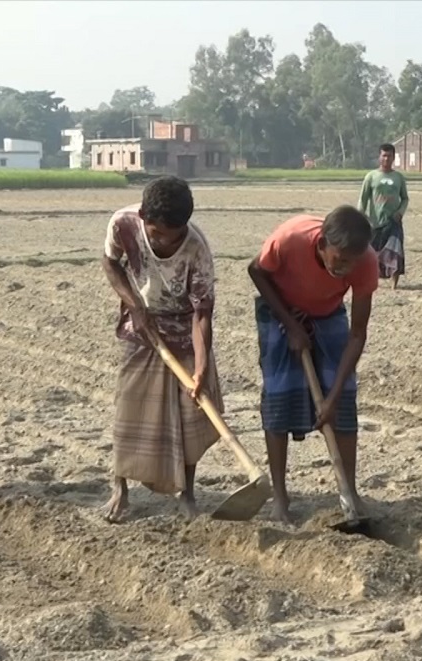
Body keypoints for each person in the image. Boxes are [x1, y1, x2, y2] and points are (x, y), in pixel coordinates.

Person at [101, 176, 222, 523]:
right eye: (156, 234)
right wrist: (135, 306)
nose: (165, 241)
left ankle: (188, 493)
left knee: (191, 414)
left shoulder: (197, 249)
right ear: (143, 217)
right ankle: (120, 487)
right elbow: (110, 263)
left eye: (174, 234)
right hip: (143, 327)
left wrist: (200, 369)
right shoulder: (123, 223)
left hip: (185, 328)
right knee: (130, 407)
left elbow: (202, 315)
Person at [248, 206, 378, 524]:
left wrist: (331, 399)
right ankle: (280, 497)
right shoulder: (289, 239)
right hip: (278, 305)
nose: (345, 268)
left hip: (328, 311)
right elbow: (256, 271)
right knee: (279, 397)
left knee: (344, 398)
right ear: (321, 244)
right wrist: (290, 325)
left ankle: (349, 491)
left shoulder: (366, 261)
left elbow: (358, 334)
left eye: (351, 263)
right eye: (339, 260)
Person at [358, 144, 410, 289]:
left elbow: (405, 198)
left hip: (394, 222)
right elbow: (363, 199)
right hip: (375, 223)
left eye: (389, 156)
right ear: (379, 157)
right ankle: (371, 279)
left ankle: (394, 284)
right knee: (372, 252)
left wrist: (400, 212)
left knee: (396, 251)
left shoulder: (398, 177)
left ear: (394, 157)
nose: (386, 158)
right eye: (384, 155)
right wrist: (362, 216)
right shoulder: (371, 177)